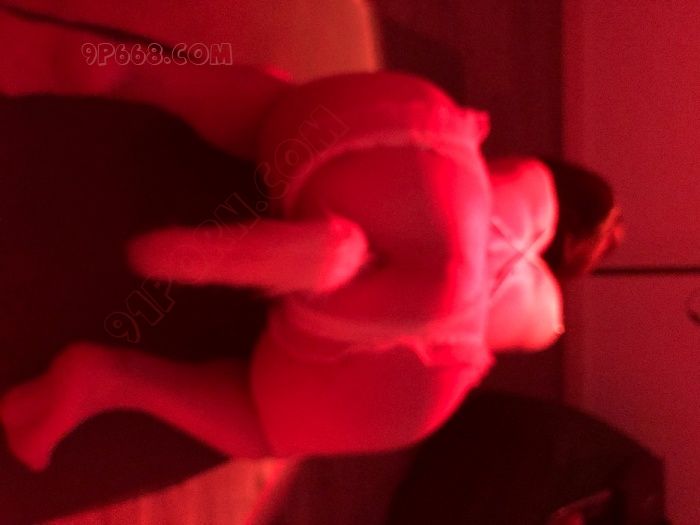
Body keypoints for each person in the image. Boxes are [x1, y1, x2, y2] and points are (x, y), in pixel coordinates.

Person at [0, 12, 621, 472]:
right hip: (426, 331)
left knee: (276, 107)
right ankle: (110, 379)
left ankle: (132, 72)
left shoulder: (533, 185)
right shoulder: (543, 317)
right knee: (257, 423)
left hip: (408, 156)